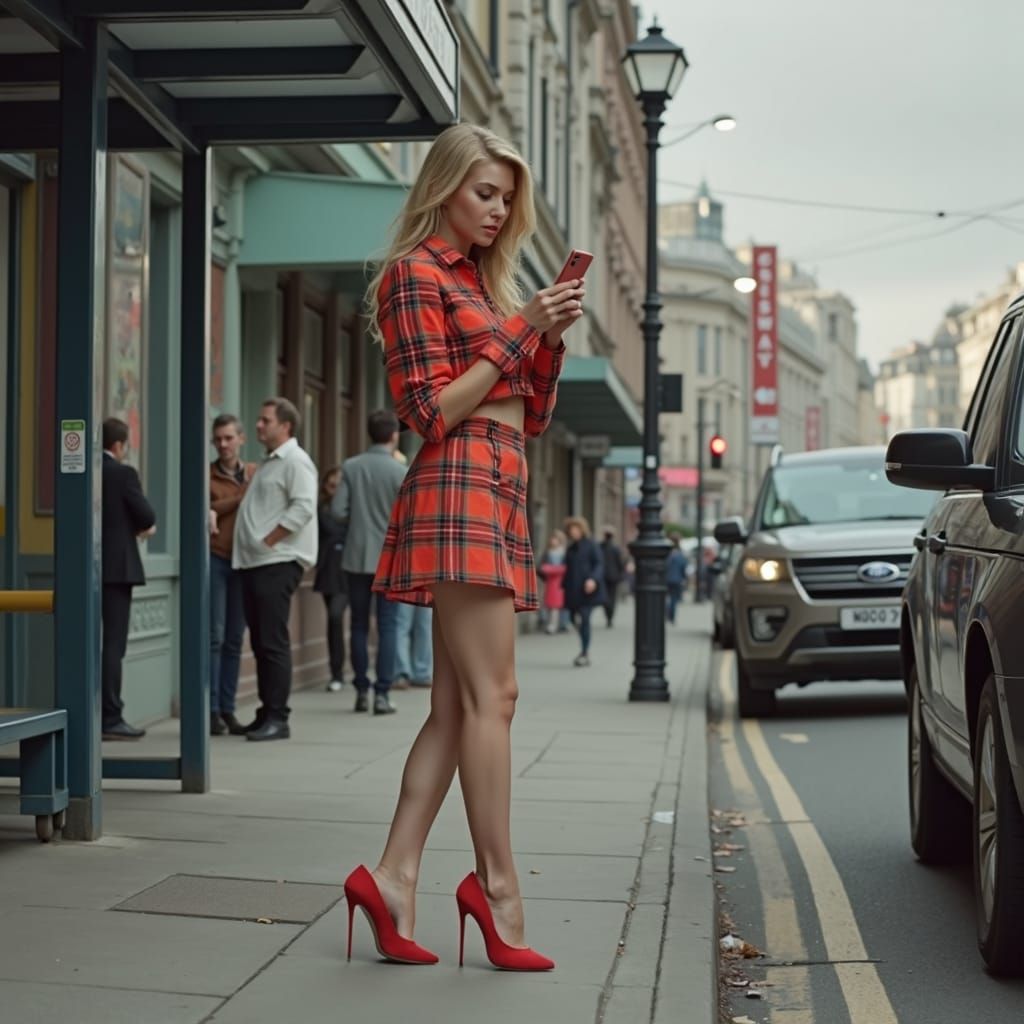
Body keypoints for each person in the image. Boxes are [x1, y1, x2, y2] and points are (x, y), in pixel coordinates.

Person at [342, 123, 583, 971]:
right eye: (485, 192)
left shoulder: (482, 284)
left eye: (506, 198)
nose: (498, 209)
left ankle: (394, 876)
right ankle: (499, 889)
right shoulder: (413, 276)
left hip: (501, 476)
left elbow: (535, 411)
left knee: (457, 706)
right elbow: (430, 410)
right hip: (461, 480)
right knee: (497, 698)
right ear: (444, 186)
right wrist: (522, 327)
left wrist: (544, 340)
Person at [233, 397, 318, 742]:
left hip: (276, 562)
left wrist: (269, 540)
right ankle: (266, 711)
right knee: (262, 641)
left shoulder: (295, 461)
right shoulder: (270, 462)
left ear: (286, 426)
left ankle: (278, 718)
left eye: (265, 420)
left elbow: (303, 508)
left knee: (272, 641)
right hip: (257, 562)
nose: (258, 425)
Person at [331, 410, 407, 715]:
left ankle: (361, 689)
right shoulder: (401, 471)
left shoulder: (351, 466)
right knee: (388, 625)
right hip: (390, 558)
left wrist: (359, 522)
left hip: (356, 556)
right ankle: (382, 693)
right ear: (393, 435)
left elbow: (338, 510)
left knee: (359, 624)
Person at [101, 417, 157, 740]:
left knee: (91, 643)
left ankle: (89, 711)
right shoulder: (123, 473)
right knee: (113, 645)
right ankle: (111, 716)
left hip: (86, 569)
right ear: (119, 445)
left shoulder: (84, 471)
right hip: (118, 570)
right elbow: (147, 517)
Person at [208, 413, 257, 737]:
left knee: (235, 640)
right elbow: (201, 507)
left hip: (246, 563)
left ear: (241, 439)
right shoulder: (206, 474)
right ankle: (210, 710)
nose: (223, 444)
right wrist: (241, 498)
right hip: (216, 559)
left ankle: (228, 709)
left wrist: (219, 507)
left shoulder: (256, 472)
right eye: (218, 439)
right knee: (215, 636)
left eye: (229, 438)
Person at [314, 466, 348, 693]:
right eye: (331, 485)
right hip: (328, 571)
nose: (335, 490)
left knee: (339, 617)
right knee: (333, 620)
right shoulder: (320, 508)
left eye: (339, 486)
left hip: (348, 570)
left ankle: (351, 673)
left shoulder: (351, 509)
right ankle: (336, 673)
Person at [562, 516, 607, 667]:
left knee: (585, 620)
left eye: (575, 529)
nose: (573, 532)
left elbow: (599, 564)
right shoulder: (570, 548)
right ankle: (583, 643)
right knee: (573, 620)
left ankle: (584, 652)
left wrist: (593, 579)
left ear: (582, 530)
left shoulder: (591, 545)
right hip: (572, 590)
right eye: (570, 530)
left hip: (587, 590)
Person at [537, 530, 568, 634]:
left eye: (555, 539)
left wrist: (551, 569)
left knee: (562, 603)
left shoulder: (564, 553)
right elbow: (540, 567)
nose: (553, 541)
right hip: (550, 582)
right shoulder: (547, 553)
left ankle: (562, 624)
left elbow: (567, 567)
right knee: (551, 604)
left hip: (562, 582)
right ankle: (551, 624)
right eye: (552, 539)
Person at [599, 526, 626, 628]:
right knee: (612, 597)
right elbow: (620, 563)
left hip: (604, 576)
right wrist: (621, 574)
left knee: (605, 597)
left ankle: (608, 614)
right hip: (613, 576)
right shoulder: (615, 548)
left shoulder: (601, 547)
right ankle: (610, 616)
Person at [666, 532, 689, 624]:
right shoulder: (680, 554)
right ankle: (672, 617)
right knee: (674, 599)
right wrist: (684, 578)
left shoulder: (667, 552)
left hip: (666, 578)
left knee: (667, 598)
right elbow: (684, 567)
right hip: (677, 579)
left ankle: (667, 615)